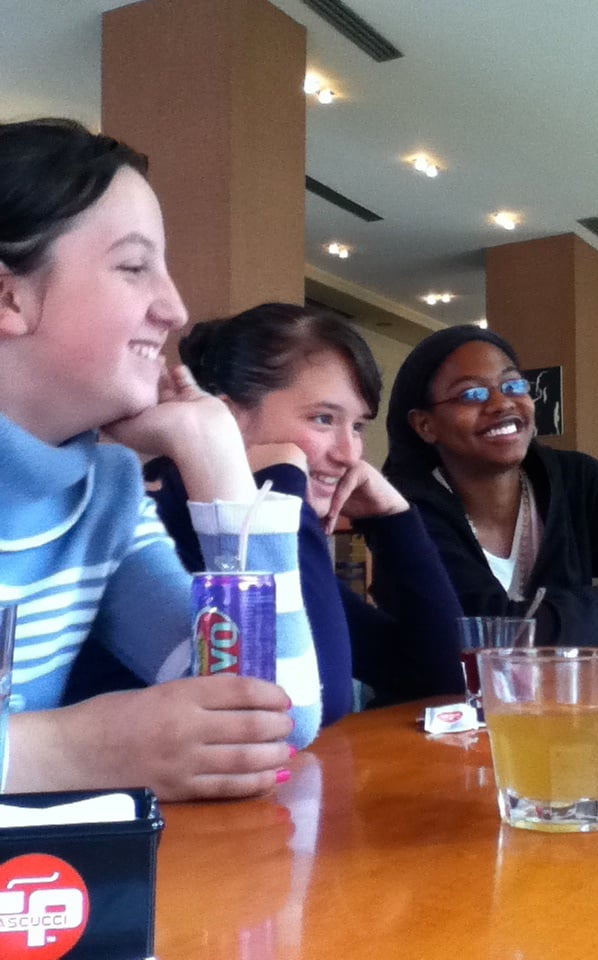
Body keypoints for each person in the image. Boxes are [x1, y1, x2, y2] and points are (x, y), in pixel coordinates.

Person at [0, 118, 321, 801]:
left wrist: (216, 457)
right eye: (134, 266)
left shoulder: (105, 495)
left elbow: (273, 719)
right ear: (8, 297)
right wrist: (75, 748)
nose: (175, 309)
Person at [141, 304, 465, 716]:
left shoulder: (274, 531)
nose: (350, 454)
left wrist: (393, 519)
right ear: (226, 418)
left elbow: (446, 676)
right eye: (323, 418)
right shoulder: (152, 526)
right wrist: (282, 482)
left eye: (357, 426)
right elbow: (311, 705)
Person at [381, 324, 598, 658]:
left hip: (588, 692)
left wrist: (588, 653)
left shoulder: (580, 482)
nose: (502, 403)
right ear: (425, 425)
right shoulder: (405, 514)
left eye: (513, 386)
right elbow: (484, 640)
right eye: (471, 394)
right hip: (443, 696)